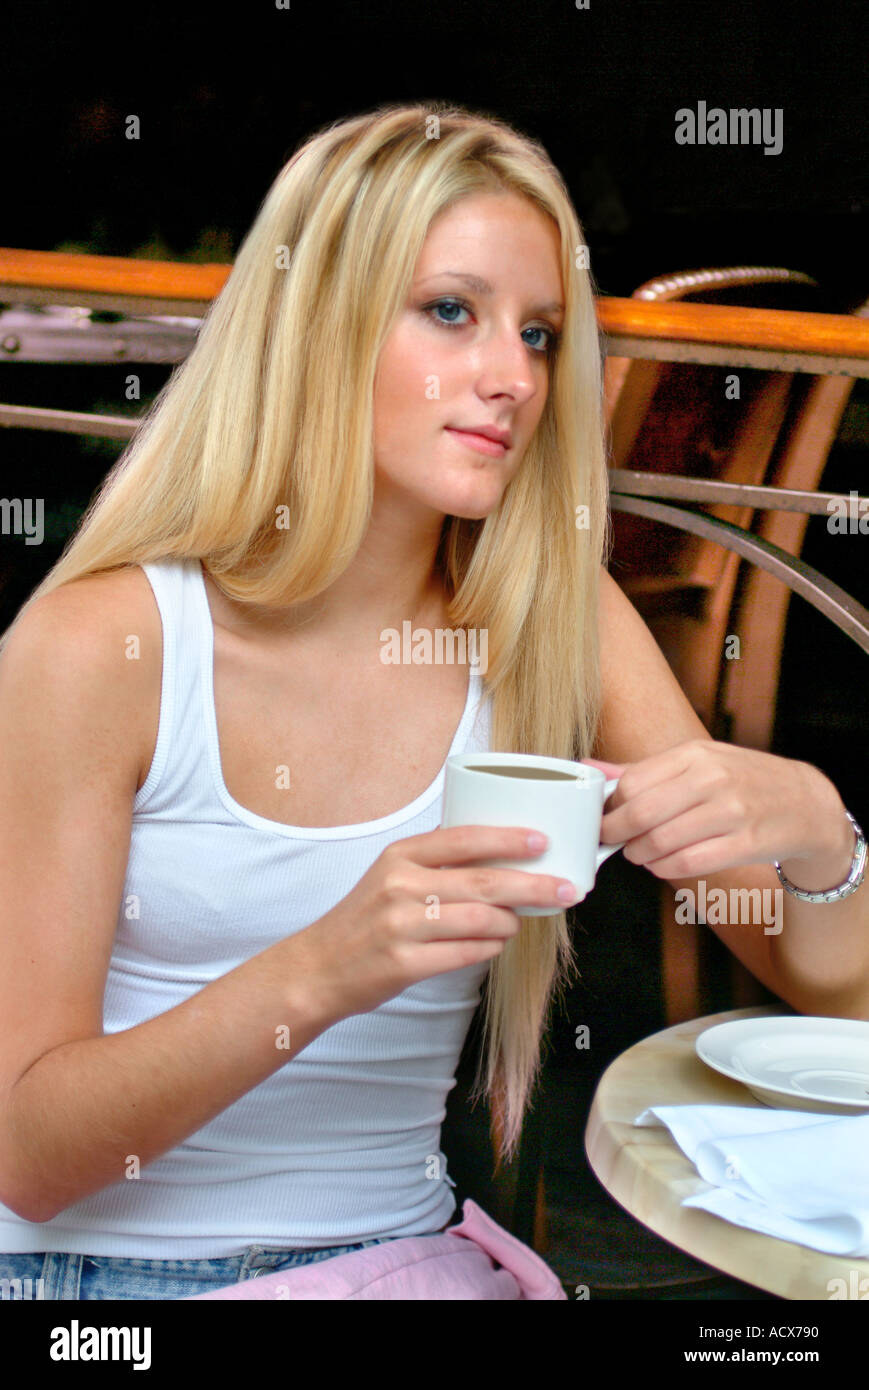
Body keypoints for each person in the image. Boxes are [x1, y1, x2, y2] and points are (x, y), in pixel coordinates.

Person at [0, 101, 865, 1302]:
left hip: (399, 1265)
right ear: (316, 320)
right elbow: (30, 1156)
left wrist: (817, 831)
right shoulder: (105, 644)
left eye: (540, 333)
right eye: (451, 311)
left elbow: (838, 989)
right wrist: (325, 967)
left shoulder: (547, 618)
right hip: (99, 1284)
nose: (512, 378)